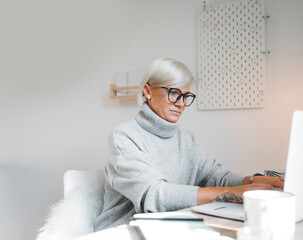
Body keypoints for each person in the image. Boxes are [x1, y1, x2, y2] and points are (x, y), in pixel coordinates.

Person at [94, 58, 283, 231]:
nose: (181, 104)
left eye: (185, 96)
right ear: (147, 91)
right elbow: (155, 195)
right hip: (122, 231)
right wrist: (231, 193)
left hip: (168, 228)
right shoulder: (124, 137)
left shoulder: (187, 140)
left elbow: (217, 177)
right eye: (174, 93)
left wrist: (255, 181)